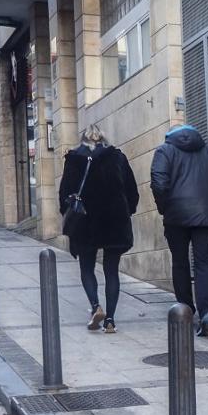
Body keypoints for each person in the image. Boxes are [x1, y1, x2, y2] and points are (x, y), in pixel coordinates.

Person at [150, 124, 208, 337]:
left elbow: (159, 183)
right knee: (204, 263)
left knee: (180, 262)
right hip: (205, 216)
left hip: (176, 215)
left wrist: (165, 207)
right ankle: (207, 313)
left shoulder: (164, 151)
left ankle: (185, 309)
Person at [59, 126, 139, 333]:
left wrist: (67, 213)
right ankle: (110, 320)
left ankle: (96, 307)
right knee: (111, 270)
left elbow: (64, 194)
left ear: (82, 140)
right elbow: (132, 191)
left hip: (85, 222)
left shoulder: (74, 159)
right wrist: (126, 211)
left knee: (87, 268)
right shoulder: (117, 157)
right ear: (104, 138)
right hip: (114, 221)